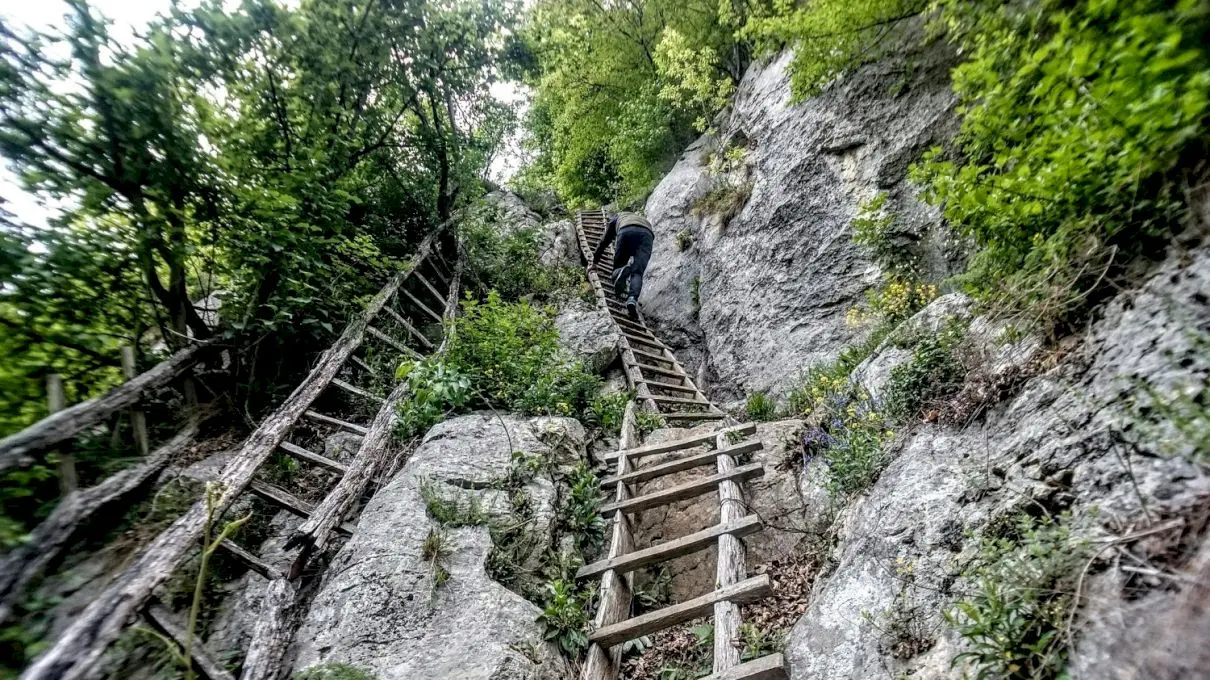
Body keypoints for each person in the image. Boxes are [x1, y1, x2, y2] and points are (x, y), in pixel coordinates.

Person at [592, 210, 654, 320]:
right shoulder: (640, 218)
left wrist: (594, 262)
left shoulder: (617, 217)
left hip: (626, 230)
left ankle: (620, 270)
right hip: (647, 234)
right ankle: (632, 298)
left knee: (619, 264)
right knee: (637, 272)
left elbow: (604, 241)